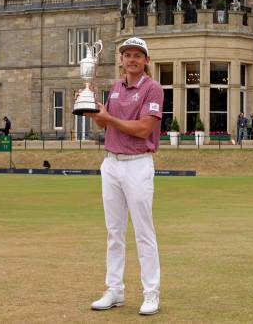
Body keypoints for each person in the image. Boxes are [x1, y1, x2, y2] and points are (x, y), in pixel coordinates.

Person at [86, 37, 163, 315]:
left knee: (144, 232)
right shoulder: (116, 87)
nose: (131, 59)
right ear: (121, 59)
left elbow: (144, 128)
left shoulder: (153, 89)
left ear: (146, 61)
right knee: (114, 232)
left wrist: (109, 120)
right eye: (127, 55)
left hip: (138, 163)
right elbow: (106, 123)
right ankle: (114, 290)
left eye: (137, 55)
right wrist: (92, 108)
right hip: (111, 163)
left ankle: (151, 293)